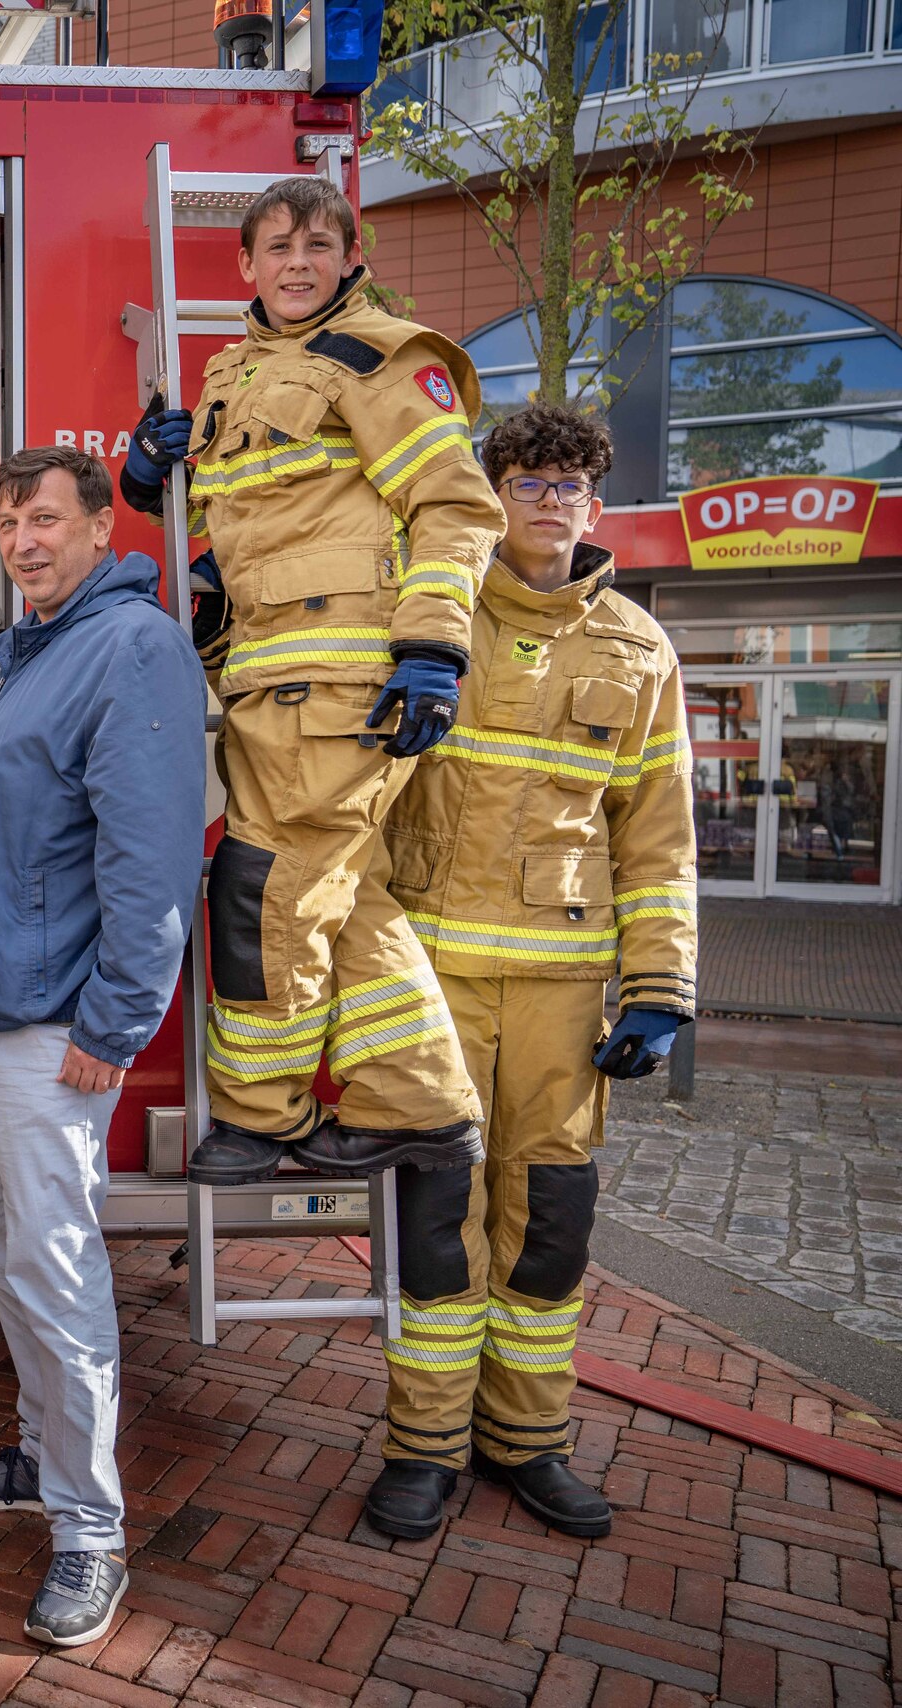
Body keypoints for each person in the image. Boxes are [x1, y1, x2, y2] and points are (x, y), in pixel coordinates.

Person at [123, 175, 507, 1186]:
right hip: (268, 679)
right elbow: (259, 523)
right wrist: (151, 477)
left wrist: (431, 647)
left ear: (348, 260)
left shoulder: (379, 359)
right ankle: (419, 1104)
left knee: (264, 896)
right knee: (344, 898)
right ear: (243, 265)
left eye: (319, 245)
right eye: (279, 246)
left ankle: (260, 1120)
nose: (298, 262)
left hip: (340, 680)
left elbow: (455, 507)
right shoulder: (234, 373)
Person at [363, 404, 696, 1542]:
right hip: (430, 984)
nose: (550, 499)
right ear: (495, 493)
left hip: (562, 995)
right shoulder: (428, 619)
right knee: (437, 1218)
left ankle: (527, 1443)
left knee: (548, 1223)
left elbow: (656, 836)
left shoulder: (640, 652)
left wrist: (659, 989)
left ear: (594, 506)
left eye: (570, 484)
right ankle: (422, 1447)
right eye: (528, 480)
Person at [0, 446, 205, 1650]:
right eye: (7, 523)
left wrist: (116, 1021)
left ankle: (89, 1533)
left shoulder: (129, 647)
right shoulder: (38, 651)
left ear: (95, 526)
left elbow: (151, 855)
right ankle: (37, 1456)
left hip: (47, 1027)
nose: (21, 540)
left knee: (59, 1272)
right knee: (9, 1252)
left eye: (41, 519)